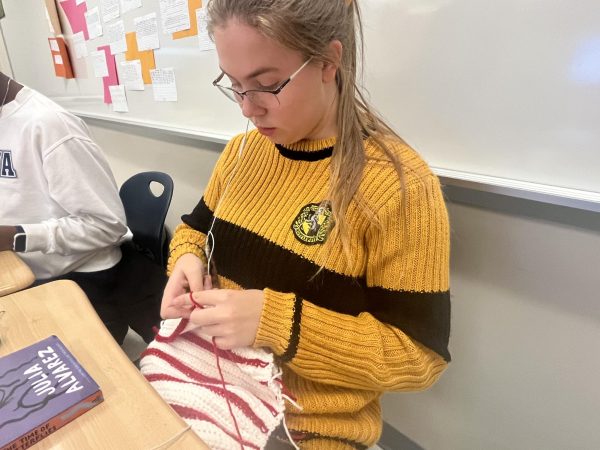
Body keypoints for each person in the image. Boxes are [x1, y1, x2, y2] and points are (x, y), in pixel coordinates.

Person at [158, 1, 451, 448]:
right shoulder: (243, 153)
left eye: (267, 85)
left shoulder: (399, 185)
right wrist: (185, 260)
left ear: (329, 62)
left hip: (307, 431)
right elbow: (196, 230)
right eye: (233, 85)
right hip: (210, 392)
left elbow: (418, 356)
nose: (247, 110)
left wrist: (277, 323)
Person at [0, 71, 161, 345]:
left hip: (84, 281)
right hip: (28, 270)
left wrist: (15, 236)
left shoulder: (49, 126)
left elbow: (106, 225)